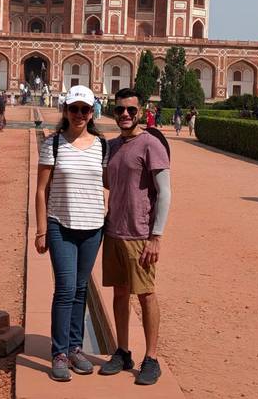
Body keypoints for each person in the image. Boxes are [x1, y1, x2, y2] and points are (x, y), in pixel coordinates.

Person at [35, 85, 108, 382]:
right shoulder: (53, 144)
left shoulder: (103, 145)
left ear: (92, 113)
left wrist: (105, 208)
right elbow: (41, 191)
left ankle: (76, 347)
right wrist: (41, 230)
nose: (79, 114)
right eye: (74, 108)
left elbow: (107, 184)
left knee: (81, 290)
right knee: (65, 289)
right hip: (60, 225)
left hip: (92, 227)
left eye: (84, 110)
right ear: (65, 110)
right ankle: (59, 353)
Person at [99, 88, 171, 386]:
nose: (125, 115)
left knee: (145, 294)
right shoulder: (112, 146)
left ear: (140, 111)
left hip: (140, 234)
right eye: (120, 110)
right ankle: (123, 351)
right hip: (114, 230)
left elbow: (165, 192)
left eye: (130, 110)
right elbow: (107, 183)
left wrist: (156, 236)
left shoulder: (151, 144)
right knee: (118, 293)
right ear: (113, 113)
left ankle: (151, 358)